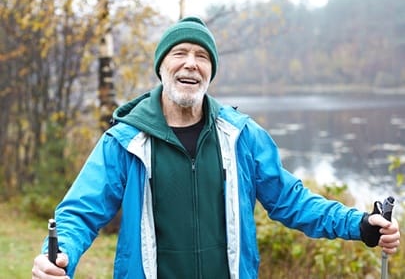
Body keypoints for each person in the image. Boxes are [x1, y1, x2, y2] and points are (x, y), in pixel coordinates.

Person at [32, 16, 400, 279]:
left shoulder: (241, 137)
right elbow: (79, 213)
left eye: (202, 56)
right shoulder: (125, 142)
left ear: (210, 71)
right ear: (161, 67)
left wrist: (361, 224)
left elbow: (293, 201)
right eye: (179, 53)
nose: (191, 63)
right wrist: (60, 256)